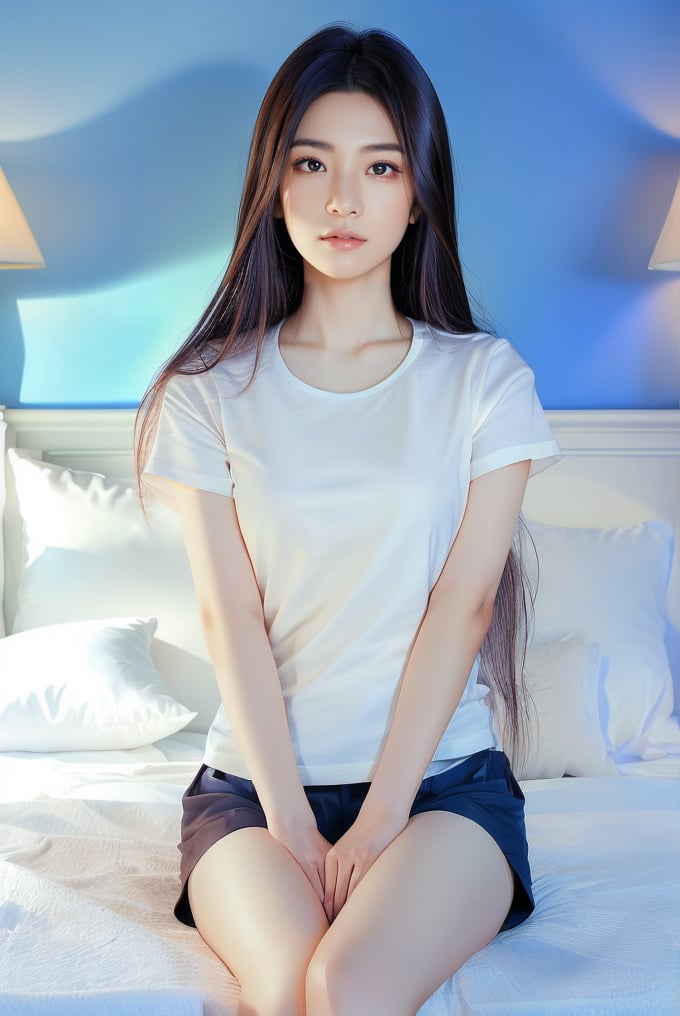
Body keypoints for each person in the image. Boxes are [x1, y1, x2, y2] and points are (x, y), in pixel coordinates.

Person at [136, 23, 561, 1016]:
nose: (341, 200)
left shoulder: (483, 381)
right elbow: (226, 613)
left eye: (378, 166)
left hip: (444, 789)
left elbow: (462, 606)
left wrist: (375, 819)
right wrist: (288, 817)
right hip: (249, 791)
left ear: (416, 193)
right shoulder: (210, 391)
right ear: (271, 184)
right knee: (286, 984)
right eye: (311, 163)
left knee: (348, 983)